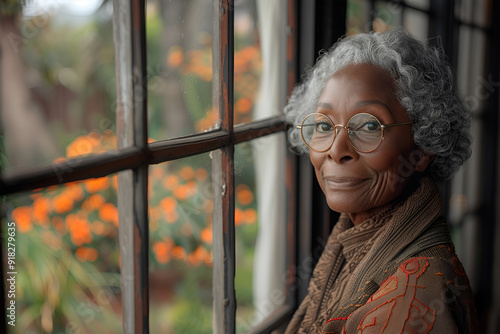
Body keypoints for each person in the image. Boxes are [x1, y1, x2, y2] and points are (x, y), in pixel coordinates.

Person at [284, 28, 478, 333]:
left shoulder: (414, 297)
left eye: (369, 125)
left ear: (423, 146)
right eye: (324, 124)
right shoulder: (350, 240)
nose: (336, 151)